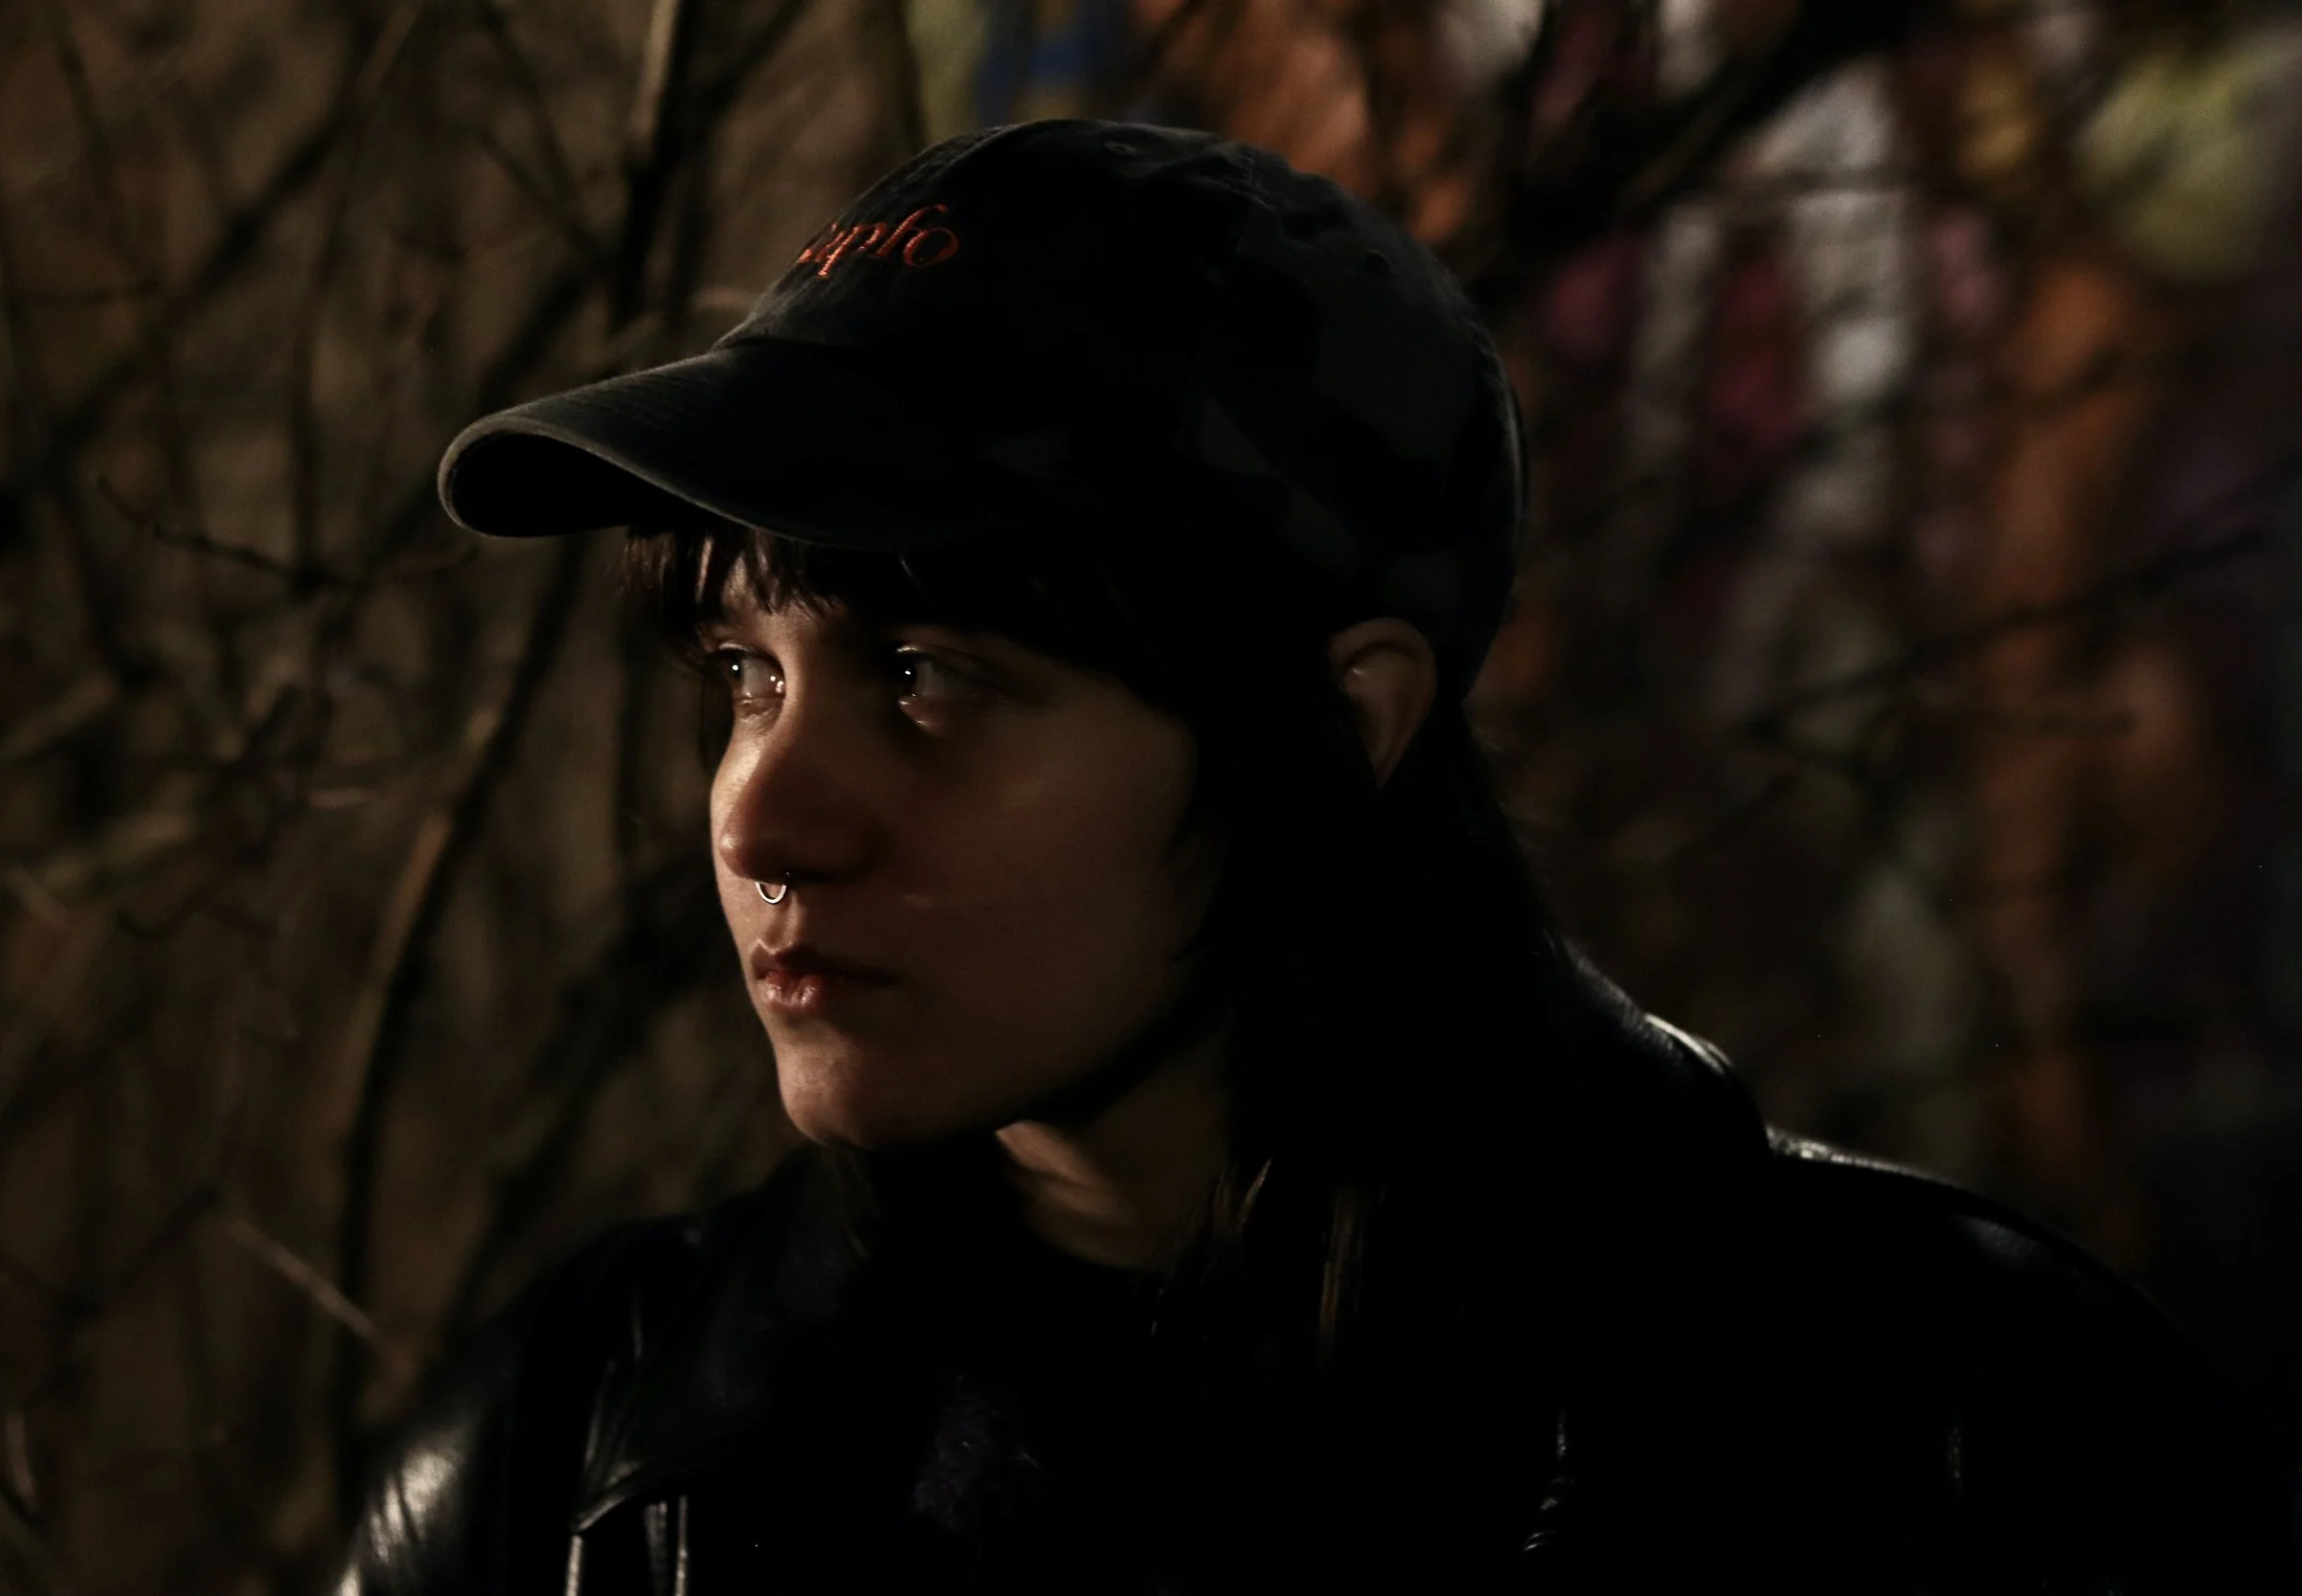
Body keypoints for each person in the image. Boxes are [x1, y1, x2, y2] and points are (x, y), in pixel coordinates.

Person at [333, 120, 2301, 1595]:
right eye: (745, 675)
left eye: (929, 676)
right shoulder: (581, 1457)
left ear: (1342, 728)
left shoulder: (1958, 1434)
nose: (766, 813)